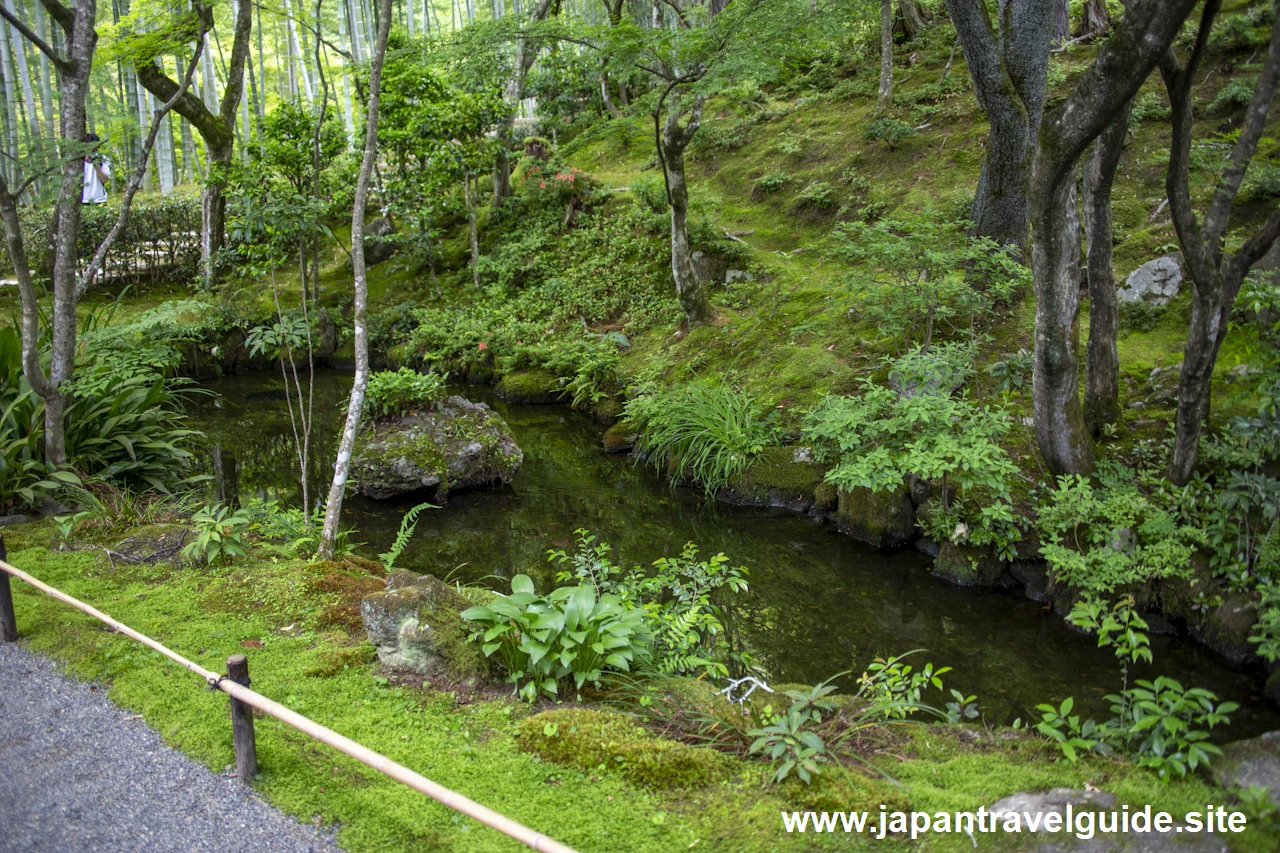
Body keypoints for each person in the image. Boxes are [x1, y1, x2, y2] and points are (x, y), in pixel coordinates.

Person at [82, 132, 110, 204]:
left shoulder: (102, 159)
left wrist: (95, 164)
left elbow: (105, 180)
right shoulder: (77, 162)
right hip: (81, 201)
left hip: (99, 200)